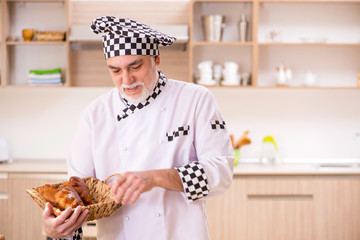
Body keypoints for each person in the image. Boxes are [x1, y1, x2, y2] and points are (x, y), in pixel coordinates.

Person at [42, 16, 234, 240]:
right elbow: (77, 194)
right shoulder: (95, 115)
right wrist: (58, 229)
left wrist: (157, 177)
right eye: (115, 71)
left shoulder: (195, 99)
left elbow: (221, 172)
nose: (126, 80)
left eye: (136, 66)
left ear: (156, 59)